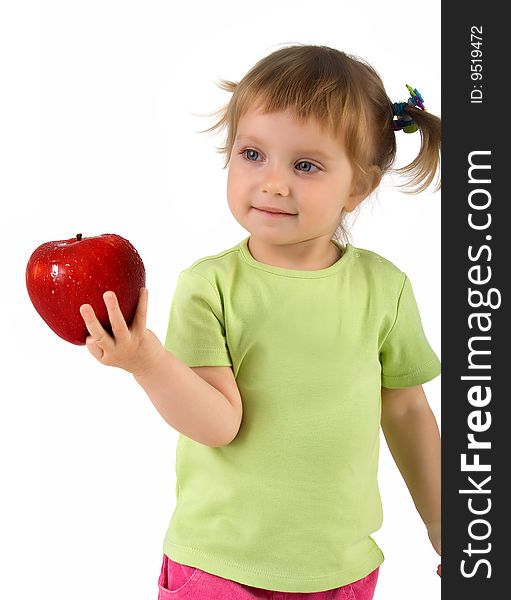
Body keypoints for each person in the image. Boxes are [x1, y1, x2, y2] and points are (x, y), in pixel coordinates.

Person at [79, 44, 441, 599]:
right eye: (253, 154)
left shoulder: (384, 289)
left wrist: (444, 524)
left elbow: (408, 409)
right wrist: (146, 362)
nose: (274, 183)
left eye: (305, 165)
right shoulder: (212, 286)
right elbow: (218, 423)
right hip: (220, 564)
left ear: (359, 186)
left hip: (341, 570)